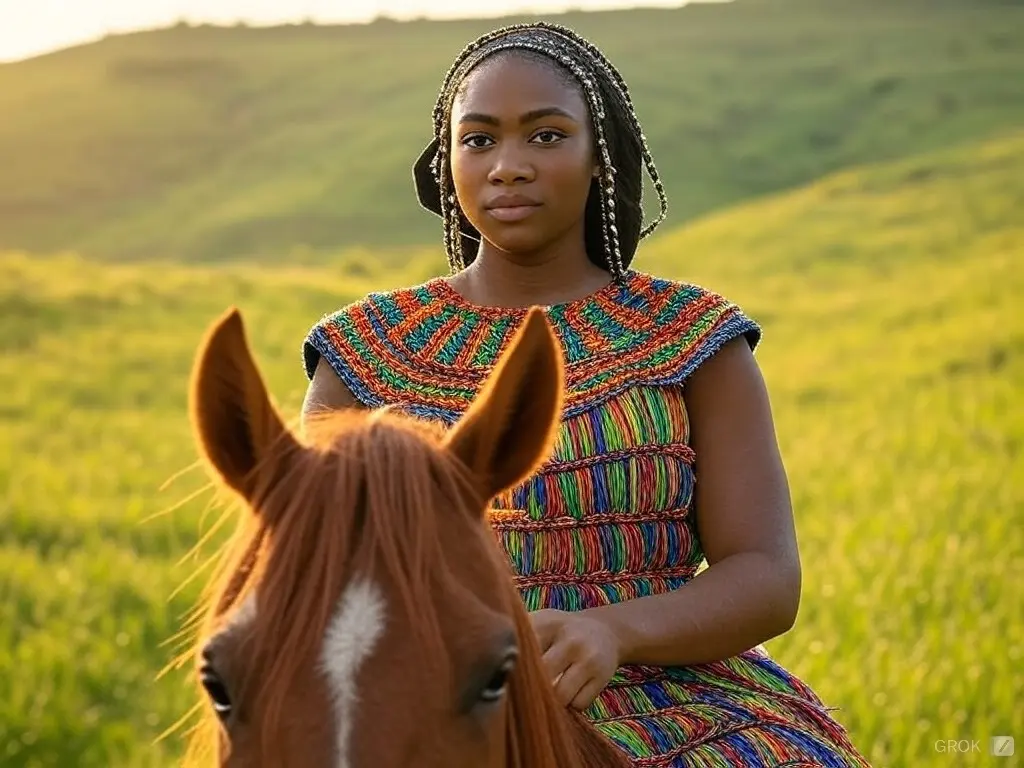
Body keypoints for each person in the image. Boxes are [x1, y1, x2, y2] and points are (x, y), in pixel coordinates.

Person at [300, 21, 870, 768]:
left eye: (544, 136)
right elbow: (312, 573)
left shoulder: (692, 338)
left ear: (600, 158)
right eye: (478, 140)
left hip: (677, 694)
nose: (507, 166)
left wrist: (613, 631)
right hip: (426, 703)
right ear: (446, 166)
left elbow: (765, 577)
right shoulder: (365, 353)